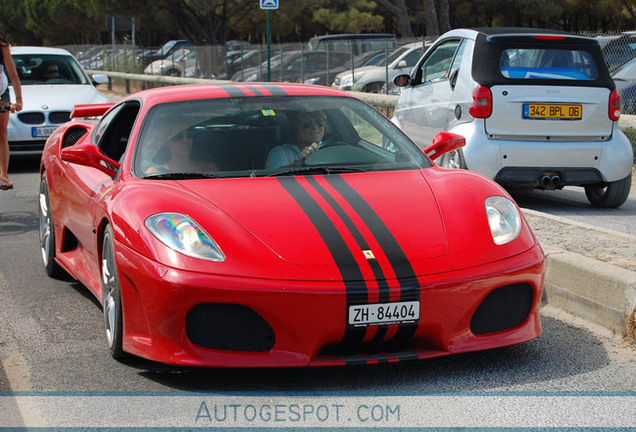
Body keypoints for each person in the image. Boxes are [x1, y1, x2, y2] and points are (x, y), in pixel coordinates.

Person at [143, 121, 218, 175]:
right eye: (178, 136)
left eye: (189, 135)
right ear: (166, 142)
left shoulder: (208, 168)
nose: (185, 140)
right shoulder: (155, 173)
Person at [0, 31, 23, 190]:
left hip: (1, 93)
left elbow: (13, 74)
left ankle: (3, 176)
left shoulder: (1, 45)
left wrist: (19, 100)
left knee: (2, 133)